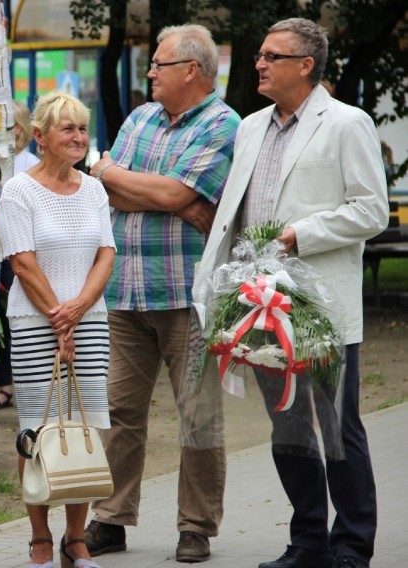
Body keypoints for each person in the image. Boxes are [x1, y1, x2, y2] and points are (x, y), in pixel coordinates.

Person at [192, 18, 388, 568]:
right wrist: (221, 284)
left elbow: (371, 210)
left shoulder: (347, 123)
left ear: (306, 65)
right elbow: (235, 212)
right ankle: (308, 542)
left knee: (336, 427)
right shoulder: (251, 125)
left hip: (320, 303)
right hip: (257, 302)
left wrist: (300, 235)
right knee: (288, 426)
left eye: (272, 56)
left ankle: (351, 545)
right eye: (258, 55)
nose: (259, 63)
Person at [86, 23, 240, 563]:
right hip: (126, 291)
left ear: (191, 71)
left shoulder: (224, 124)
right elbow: (114, 186)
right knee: (118, 411)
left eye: (159, 64)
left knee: (197, 415)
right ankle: (110, 518)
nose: (150, 71)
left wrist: (130, 181)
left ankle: (195, 527)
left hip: (188, 295)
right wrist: (115, 175)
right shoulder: (140, 118)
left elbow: (171, 189)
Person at [0, 90, 115, 568]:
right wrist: (58, 319)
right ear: (40, 137)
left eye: (83, 128)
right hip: (33, 321)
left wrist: (79, 309)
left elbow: (106, 252)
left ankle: (76, 538)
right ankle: (40, 538)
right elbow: (23, 263)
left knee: (85, 427)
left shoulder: (94, 188)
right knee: (38, 430)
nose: (79, 138)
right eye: (67, 129)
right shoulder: (18, 190)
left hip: (88, 320)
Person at [0, 100, 40, 410]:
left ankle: (9, 382)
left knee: (12, 320)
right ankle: (2, 379)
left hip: (18, 254)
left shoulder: (28, 166)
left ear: (18, 131)